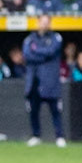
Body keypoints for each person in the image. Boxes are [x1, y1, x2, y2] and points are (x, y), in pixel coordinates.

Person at [22, 15, 67, 147]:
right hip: (34, 81)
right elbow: (27, 55)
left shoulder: (56, 37)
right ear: (38, 23)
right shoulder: (30, 39)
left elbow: (51, 51)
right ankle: (36, 135)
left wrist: (36, 51)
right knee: (34, 110)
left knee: (55, 110)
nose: (44, 25)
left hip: (50, 81)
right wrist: (42, 55)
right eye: (42, 22)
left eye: (47, 22)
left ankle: (59, 136)